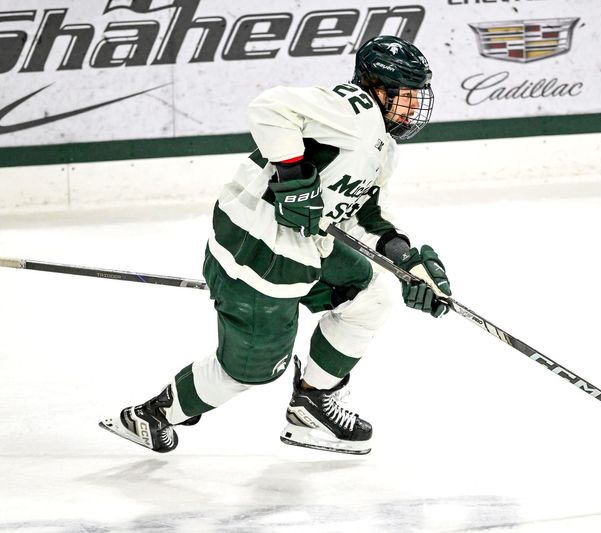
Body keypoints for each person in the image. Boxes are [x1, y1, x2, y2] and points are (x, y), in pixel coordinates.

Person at [99, 35, 452, 455]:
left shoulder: (383, 146)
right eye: (406, 96)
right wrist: (293, 177)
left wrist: (407, 262)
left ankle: (311, 403)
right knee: (249, 371)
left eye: (417, 96)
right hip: (258, 247)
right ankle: (152, 415)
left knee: (371, 293)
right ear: (376, 87)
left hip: (304, 247)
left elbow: (367, 215)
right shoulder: (351, 108)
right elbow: (270, 107)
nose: (414, 108)